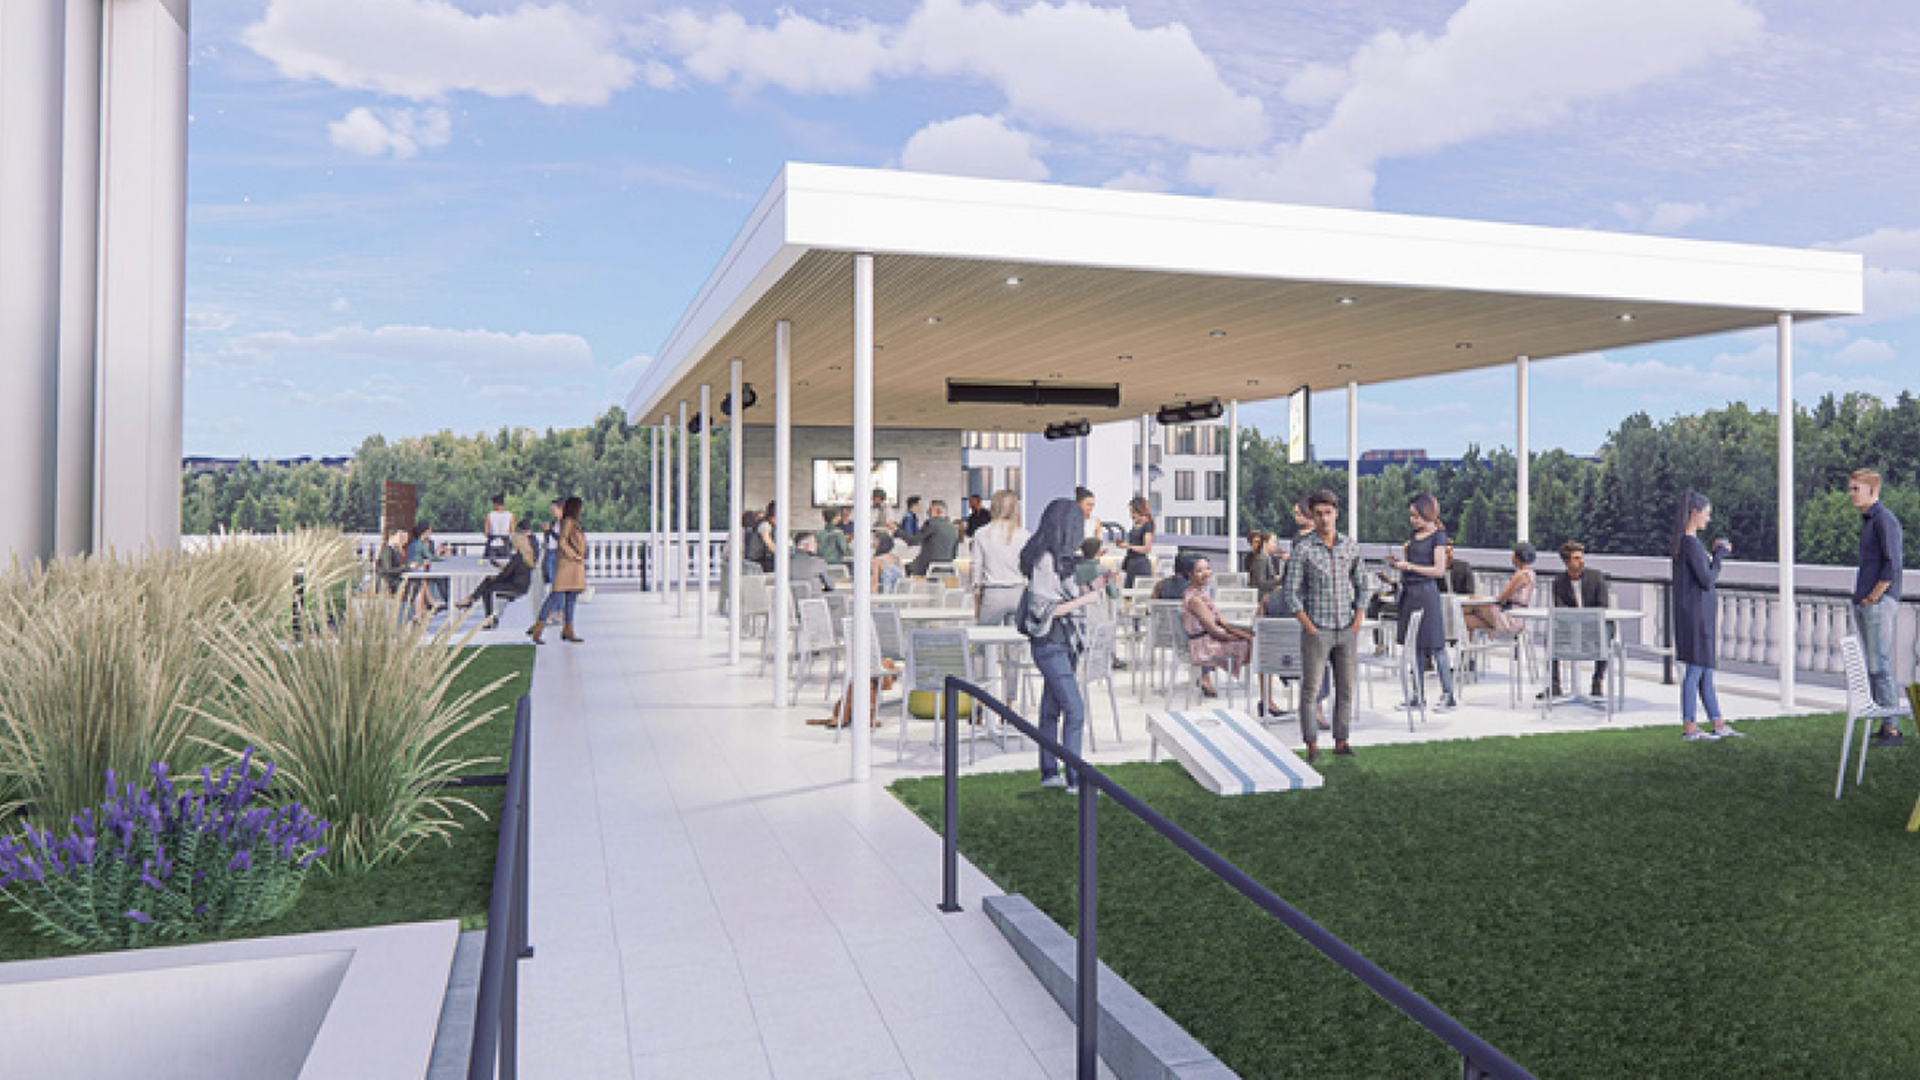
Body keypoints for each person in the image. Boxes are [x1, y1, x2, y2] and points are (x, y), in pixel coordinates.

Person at [1019, 497, 1112, 793]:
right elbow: (1044, 609)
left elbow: (1064, 597)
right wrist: (1086, 599)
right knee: (1075, 709)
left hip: (1063, 642)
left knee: (1051, 710)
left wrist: (1090, 588)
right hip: (1050, 643)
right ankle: (1074, 778)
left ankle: (1049, 773)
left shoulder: (1058, 560)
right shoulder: (1045, 561)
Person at [1282, 488, 1367, 762]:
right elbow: (1290, 593)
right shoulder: (1303, 549)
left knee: (1346, 689)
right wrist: (1309, 627)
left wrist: (1357, 622)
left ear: (1336, 514)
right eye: (1318, 514)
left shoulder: (1350, 546)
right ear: (1312, 516)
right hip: (1317, 630)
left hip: (1346, 628)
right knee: (1311, 690)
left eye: (1328, 513)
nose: (1323, 519)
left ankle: (1341, 742)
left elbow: (1363, 585)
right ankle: (1312, 746)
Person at [1671, 491, 1740, 741]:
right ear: (1694, 513)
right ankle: (1689, 726)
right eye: (1706, 514)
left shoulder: (1687, 545)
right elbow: (1707, 578)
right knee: (1695, 671)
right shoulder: (1689, 544)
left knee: (1706, 672)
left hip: (1698, 616)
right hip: (1697, 618)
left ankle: (1717, 722)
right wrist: (1720, 556)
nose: (1708, 519)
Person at [1851, 468, 1905, 742]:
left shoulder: (1885, 520)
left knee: (1880, 665)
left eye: (1855, 489)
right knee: (1873, 666)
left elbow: (1892, 565)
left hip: (1879, 603)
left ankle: (1892, 728)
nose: (1850, 494)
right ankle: (1885, 725)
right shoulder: (1870, 521)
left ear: (1872, 490)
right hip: (1867, 603)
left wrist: (1873, 596)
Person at [1389, 494, 1457, 709]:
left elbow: (1438, 571)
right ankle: (1418, 695)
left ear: (1427, 514)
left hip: (1427, 593)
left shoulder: (1438, 537)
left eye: (1416, 516)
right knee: (1414, 647)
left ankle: (1448, 695)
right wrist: (1401, 565)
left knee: (1436, 646)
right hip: (1410, 592)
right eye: (1411, 516)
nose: (1413, 520)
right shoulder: (1414, 536)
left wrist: (1409, 567)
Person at [1549, 540, 1611, 698]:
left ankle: (1598, 680)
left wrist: (1584, 620)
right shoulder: (1559, 582)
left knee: (1606, 632)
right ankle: (1555, 684)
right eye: (1576, 558)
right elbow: (1559, 608)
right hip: (1570, 627)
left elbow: (1602, 605)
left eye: (1581, 557)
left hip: (1593, 626)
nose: (1581, 561)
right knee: (1550, 637)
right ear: (1566, 561)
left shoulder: (1596, 577)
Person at [1182, 558, 1253, 697]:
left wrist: (1242, 634)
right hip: (1204, 647)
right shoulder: (1194, 599)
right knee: (1255, 646)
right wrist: (1241, 637)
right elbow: (1214, 631)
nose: (1206, 573)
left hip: (1206, 642)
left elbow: (1221, 623)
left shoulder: (1202, 593)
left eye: (1207, 568)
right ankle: (1268, 690)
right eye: (1199, 570)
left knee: (1253, 640)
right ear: (1190, 575)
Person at [528, 496, 587, 644]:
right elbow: (562, 541)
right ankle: (538, 627)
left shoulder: (571, 522)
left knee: (571, 598)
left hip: (573, 566)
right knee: (555, 595)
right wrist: (574, 556)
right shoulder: (567, 523)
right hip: (568, 565)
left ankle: (568, 629)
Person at [456, 521, 536, 627]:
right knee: (488, 583)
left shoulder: (518, 557)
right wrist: (499, 567)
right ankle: (475, 604)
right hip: (520, 585)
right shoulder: (527, 556)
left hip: (516, 587)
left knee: (488, 588)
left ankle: (484, 613)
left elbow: (506, 575)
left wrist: (495, 577)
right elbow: (513, 571)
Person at [971, 490, 1029, 626]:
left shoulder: (981, 533)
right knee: (1015, 643)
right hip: (1018, 592)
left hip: (993, 593)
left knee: (985, 641)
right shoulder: (1025, 535)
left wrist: (976, 600)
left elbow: (976, 568)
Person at [1463, 542, 1538, 637]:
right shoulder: (1531, 574)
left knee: (1474, 601)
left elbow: (1503, 597)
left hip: (1511, 618)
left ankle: (1451, 618)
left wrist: (1485, 599)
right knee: (1467, 620)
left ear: (1518, 556)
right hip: (1516, 617)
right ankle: (1468, 651)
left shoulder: (1521, 575)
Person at [907, 499, 960, 576]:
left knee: (906, 568)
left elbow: (913, 541)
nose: (927, 512)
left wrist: (897, 531)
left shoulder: (931, 524)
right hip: (948, 569)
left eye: (930, 510)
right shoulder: (954, 529)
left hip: (927, 568)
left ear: (938, 511)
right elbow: (954, 555)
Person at [405, 522, 444, 619]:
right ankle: (431, 603)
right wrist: (442, 555)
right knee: (423, 582)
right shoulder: (419, 544)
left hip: (419, 569)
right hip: (414, 569)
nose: (431, 533)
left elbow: (428, 556)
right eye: (429, 531)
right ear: (424, 532)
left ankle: (422, 612)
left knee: (424, 582)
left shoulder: (424, 542)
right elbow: (431, 557)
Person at [1119, 497, 1155, 587]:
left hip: (1140, 564)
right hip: (1131, 563)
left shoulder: (1147, 526)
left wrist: (1129, 546)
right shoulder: (1136, 525)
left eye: (1132, 511)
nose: (1131, 514)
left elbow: (1147, 548)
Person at [1247, 530, 1284, 602]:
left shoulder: (1266, 558)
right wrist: (1279, 581)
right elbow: (1261, 583)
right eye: (1274, 542)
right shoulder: (1261, 559)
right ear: (1265, 543)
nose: (1275, 545)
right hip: (1263, 598)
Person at [374, 529, 409, 595]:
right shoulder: (388, 550)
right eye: (400, 537)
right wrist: (407, 568)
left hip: (393, 580)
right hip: (388, 582)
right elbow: (388, 569)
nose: (403, 540)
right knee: (413, 584)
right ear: (392, 537)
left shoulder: (396, 550)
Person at [483, 495, 515, 561]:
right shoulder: (510, 516)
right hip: (505, 543)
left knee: (489, 563)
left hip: (492, 543)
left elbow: (486, 533)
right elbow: (512, 531)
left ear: (496, 504)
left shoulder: (489, 515)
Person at [753, 502, 778, 572]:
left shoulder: (771, 525)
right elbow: (769, 544)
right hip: (759, 563)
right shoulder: (765, 525)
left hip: (764, 561)